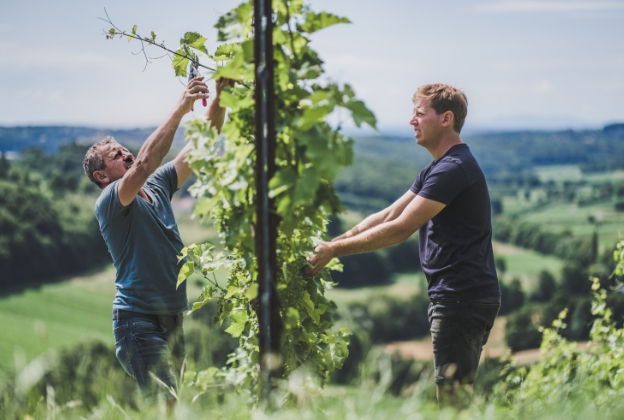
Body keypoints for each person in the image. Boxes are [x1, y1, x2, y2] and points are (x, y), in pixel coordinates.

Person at [308, 83, 500, 407]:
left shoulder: (454, 169)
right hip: (457, 296)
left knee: (453, 399)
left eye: (420, 113)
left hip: (461, 297)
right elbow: (387, 214)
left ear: (446, 119)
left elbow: (400, 229)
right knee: (453, 395)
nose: (412, 120)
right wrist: (333, 242)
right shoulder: (438, 168)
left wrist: (334, 251)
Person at [82, 77, 229, 402]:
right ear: (102, 176)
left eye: (124, 148)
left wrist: (222, 96)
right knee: (165, 405)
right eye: (117, 155)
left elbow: (203, 144)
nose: (127, 154)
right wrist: (182, 106)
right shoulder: (111, 201)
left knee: (171, 406)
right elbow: (147, 161)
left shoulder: (158, 186)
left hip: (173, 320)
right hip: (138, 321)